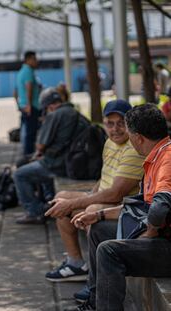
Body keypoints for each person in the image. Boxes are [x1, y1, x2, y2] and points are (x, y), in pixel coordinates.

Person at [67, 104, 171, 311]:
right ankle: (95, 303)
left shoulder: (167, 160)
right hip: (162, 237)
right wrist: (100, 215)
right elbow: (141, 206)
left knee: (109, 250)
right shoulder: (157, 154)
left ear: (138, 137)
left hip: (166, 246)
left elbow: (159, 209)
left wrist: (149, 233)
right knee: (98, 230)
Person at [44, 100, 144, 285]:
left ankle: (97, 280)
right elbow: (105, 176)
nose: (115, 129)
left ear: (130, 123)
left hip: (122, 205)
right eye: (110, 123)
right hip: (106, 196)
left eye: (121, 123)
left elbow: (115, 194)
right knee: (61, 197)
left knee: (91, 209)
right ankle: (76, 264)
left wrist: (78, 203)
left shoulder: (133, 149)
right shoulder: (110, 142)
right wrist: (89, 193)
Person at [13, 88, 88, 224]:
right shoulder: (75, 112)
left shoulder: (55, 115)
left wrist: (44, 123)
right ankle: (47, 201)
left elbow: (40, 146)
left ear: (49, 106)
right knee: (30, 163)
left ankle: (34, 212)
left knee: (19, 174)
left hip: (58, 164)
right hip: (74, 161)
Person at [15, 51, 40, 156]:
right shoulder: (29, 71)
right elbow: (28, 87)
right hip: (31, 107)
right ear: (28, 59)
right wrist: (29, 105)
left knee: (26, 133)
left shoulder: (20, 72)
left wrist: (19, 104)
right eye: (34, 59)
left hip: (24, 106)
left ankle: (27, 154)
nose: (36, 61)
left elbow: (15, 92)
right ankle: (29, 156)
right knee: (31, 134)